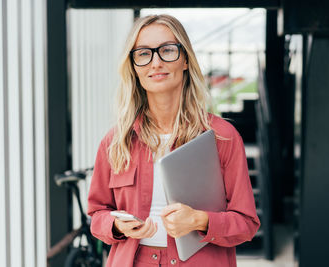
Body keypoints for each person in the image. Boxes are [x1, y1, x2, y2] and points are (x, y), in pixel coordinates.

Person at [87, 14, 260, 267]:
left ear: (186, 60)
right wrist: (115, 224)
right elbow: (96, 214)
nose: (155, 62)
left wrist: (199, 220)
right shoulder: (115, 141)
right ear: (134, 67)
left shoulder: (222, 137)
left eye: (167, 50)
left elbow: (246, 223)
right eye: (144, 53)